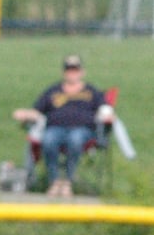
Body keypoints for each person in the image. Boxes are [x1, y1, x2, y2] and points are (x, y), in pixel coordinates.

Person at [11, 54, 110, 197]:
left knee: (75, 139)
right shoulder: (53, 91)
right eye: (69, 70)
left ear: (82, 72)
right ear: (63, 72)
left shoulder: (91, 91)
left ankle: (68, 182)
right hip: (56, 128)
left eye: (75, 70)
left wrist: (107, 116)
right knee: (49, 139)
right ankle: (54, 182)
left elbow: (105, 109)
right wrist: (25, 114)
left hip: (84, 131)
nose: (72, 73)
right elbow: (37, 110)